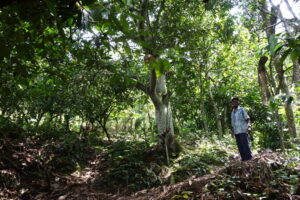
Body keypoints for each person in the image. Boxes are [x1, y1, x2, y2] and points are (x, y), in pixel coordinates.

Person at [231, 97, 252, 161]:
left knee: (245, 145)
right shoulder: (232, 112)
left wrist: (249, 126)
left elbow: (247, 118)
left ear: (238, 102)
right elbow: (233, 123)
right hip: (236, 132)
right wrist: (232, 132)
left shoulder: (242, 109)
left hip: (243, 130)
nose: (235, 103)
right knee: (240, 146)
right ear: (232, 103)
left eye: (236, 101)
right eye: (233, 102)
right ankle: (243, 159)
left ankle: (249, 159)